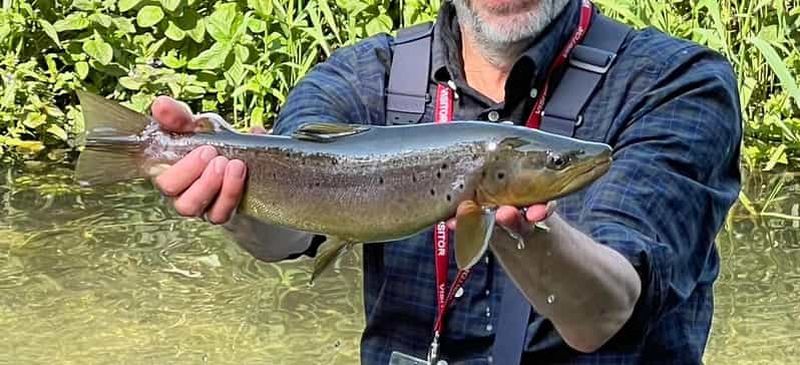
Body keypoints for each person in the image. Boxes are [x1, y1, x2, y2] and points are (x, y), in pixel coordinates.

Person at [148, 0, 742, 363]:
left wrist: (520, 227)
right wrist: (229, 191)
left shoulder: (676, 85)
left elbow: (606, 313)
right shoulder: (359, 77)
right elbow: (290, 235)